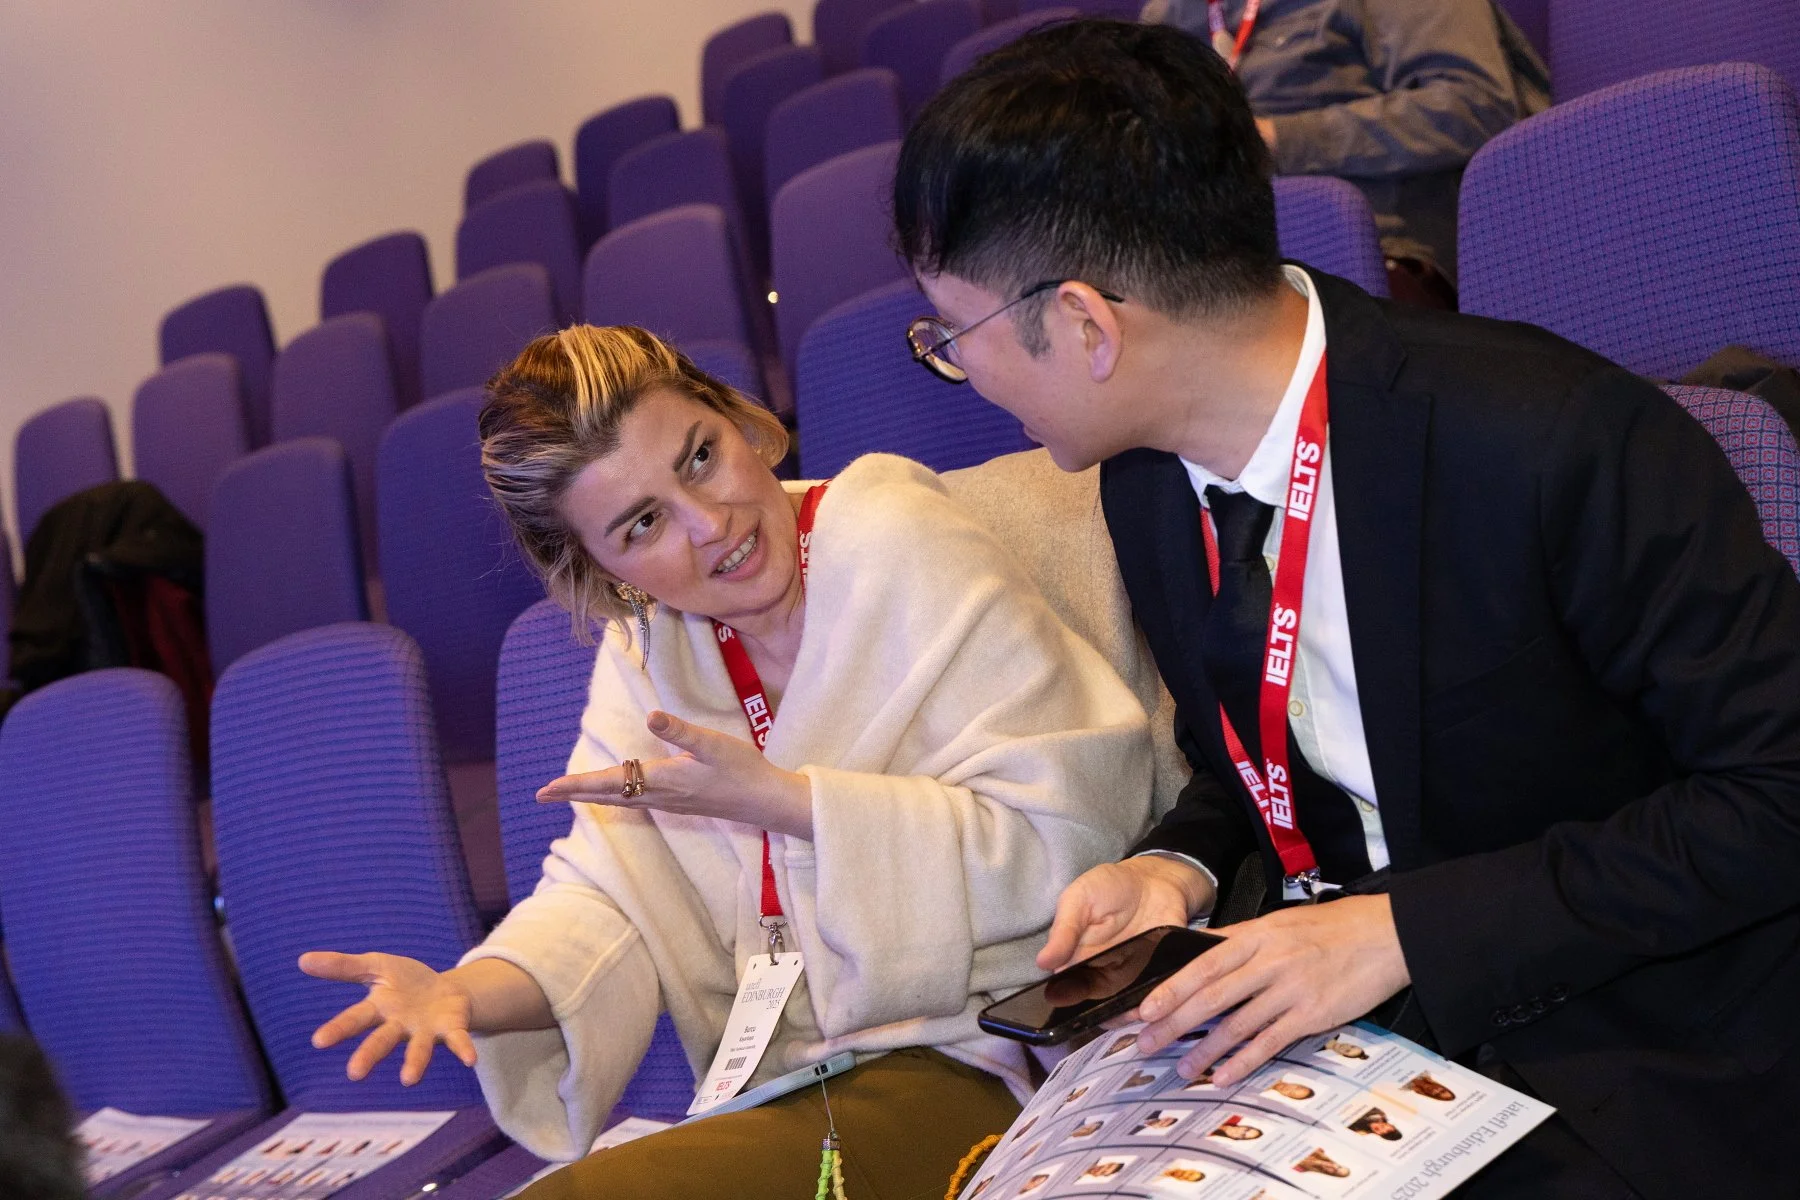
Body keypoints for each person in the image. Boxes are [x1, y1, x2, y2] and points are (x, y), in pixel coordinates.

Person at [892, 18, 1800, 1197]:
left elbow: (1777, 794)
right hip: (1346, 1031)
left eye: (951, 336)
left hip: (1623, 1038)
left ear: (1083, 325)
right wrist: (1178, 868)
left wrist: (1402, 934)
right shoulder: (1149, 478)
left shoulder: (1551, 441)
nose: (961, 373)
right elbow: (1269, 752)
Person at [297, 326, 1158, 1197]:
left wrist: (793, 804)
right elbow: (611, 896)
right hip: (800, 1081)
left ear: (739, 422)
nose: (711, 524)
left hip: (1006, 1054)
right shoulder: (647, 654)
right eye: (642, 525)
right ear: (605, 576)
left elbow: (1078, 832)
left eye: (700, 457)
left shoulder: (895, 540)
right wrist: (469, 992)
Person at [1141, 0, 1548, 304]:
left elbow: (1474, 107)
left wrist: (1279, 139)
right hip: (1204, 251)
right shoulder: (1172, 14)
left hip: (1363, 254)